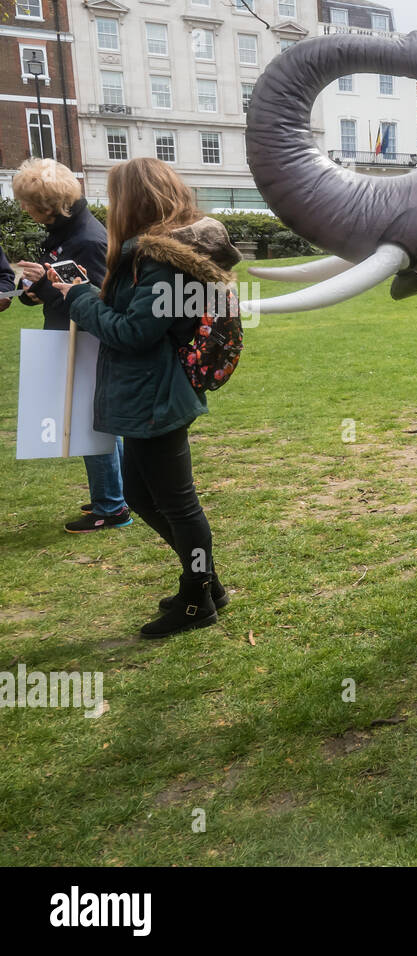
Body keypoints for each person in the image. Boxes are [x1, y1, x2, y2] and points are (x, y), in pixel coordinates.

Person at [51, 157, 240, 636]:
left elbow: (135, 332)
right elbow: (134, 314)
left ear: (132, 201)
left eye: (115, 197)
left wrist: (80, 298)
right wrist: (80, 289)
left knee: (178, 504)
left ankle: (199, 598)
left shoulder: (161, 259)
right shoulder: (151, 255)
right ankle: (205, 584)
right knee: (139, 493)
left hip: (157, 396)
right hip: (144, 394)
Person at [9, 158, 128, 533]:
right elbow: (56, 289)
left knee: (86, 422)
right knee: (95, 421)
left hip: (86, 340)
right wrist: (36, 287)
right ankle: (118, 496)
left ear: (48, 204)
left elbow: (94, 300)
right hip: (71, 335)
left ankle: (112, 506)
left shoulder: (87, 240)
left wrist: (44, 285)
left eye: (27, 202)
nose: (23, 209)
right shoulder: (65, 234)